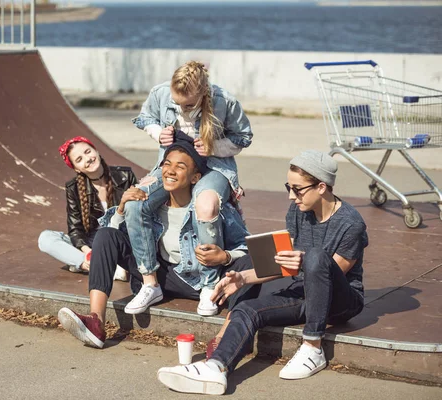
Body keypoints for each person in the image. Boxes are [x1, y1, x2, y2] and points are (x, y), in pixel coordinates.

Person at [157, 150, 368, 395]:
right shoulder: (299, 212)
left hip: (342, 302)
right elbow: (287, 263)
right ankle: (215, 367)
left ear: (321, 187)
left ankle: (313, 347)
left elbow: (330, 275)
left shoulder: (351, 223)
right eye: (289, 187)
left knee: (316, 256)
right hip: (305, 294)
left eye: (297, 189)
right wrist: (244, 278)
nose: (291, 196)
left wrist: (303, 261)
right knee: (247, 309)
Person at [57, 140, 260, 349]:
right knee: (106, 236)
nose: (170, 171)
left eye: (180, 167)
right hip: (160, 277)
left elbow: (246, 249)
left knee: (247, 266)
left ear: (195, 177)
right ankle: (95, 321)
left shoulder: (214, 210)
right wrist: (122, 208)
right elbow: (111, 239)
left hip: (199, 284)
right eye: (166, 164)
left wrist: (224, 256)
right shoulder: (148, 207)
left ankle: (224, 340)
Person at [125, 60, 254, 316]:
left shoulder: (224, 101)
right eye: (177, 103)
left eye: (188, 104)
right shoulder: (161, 93)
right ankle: (150, 283)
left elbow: (244, 137)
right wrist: (157, 132)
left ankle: (208, 285)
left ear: (203, 93)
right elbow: (144, 118)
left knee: (205, 204)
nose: (181, 108)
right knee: (135, 204)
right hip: (173, 163)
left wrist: (214, 147)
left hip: (214, 167)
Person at [38, 136, 137, 281]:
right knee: (46, 238)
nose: (87, 159)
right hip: (92, 245)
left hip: (120, 241)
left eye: (87, 152)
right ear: (76, 169)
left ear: (96, 151)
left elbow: (137, 216)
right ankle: (92, 264)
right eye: (79, 160)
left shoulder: (125, 175)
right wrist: (88, 252)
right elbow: (75, 230)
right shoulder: (74, 188)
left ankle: (93, 264)